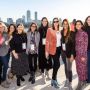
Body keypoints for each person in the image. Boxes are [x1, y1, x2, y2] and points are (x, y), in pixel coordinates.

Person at [45, 18, 62, 88]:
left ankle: (54, 79)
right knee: (57, 64)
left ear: (58, 22)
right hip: (53, 49)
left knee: (56, 64)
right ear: (52, 22)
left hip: (59, 49)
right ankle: (53, 79)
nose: (55, 22)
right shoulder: (50, 30)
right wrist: (46, 51)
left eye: (57, 21)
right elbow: (47, 41)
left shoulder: (60, 30)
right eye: (54, 21)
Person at [61, 19, 76, 89]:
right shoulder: (61, 31)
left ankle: (70, 83)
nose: (65, 25)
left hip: (70, 54)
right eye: (64, 23)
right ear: (62, 24)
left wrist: (73, 55)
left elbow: (74, 45)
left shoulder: (71, 33)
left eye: (66, 23)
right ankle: (67, 79)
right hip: (63, 53)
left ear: (68, 24)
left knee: (69, 69)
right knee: (65, 67)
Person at [38, 17, 52, 84]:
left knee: (48, 61)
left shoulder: (49, 29)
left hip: (48, 47)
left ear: (47, 22)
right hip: (41, 47)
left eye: (46, 21)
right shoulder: (39, 29)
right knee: (42, 61)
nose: (44, 22)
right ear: (41, 22)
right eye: (43, 21)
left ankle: (47, 73)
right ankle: (43, 75)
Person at [75, 20, 88, 90]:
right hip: (77, 55)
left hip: (82, 55)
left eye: (79, 24)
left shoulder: (84, 34)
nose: (78, 25)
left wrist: (83, 56)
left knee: (83, 69)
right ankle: (81, 82)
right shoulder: (76, 33)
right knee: (78, 69)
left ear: (82, 25)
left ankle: (81, 83)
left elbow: (85, 45)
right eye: (76, 24)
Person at [0, 22, 10, 88]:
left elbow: (8, 42)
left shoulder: (5, 34)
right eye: (0, 27)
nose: (1, 28)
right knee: (5, 66)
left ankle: (3, 79)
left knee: (5, 66)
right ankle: (3, 81)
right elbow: (1, 43)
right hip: (1, 53)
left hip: (7, 52)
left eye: (2, 27)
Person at [84, 16, 90, 84]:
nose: (89, 21)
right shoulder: (84, 28)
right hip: (87, 49)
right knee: (87, 65)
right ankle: (88, 79)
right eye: (88, 20)